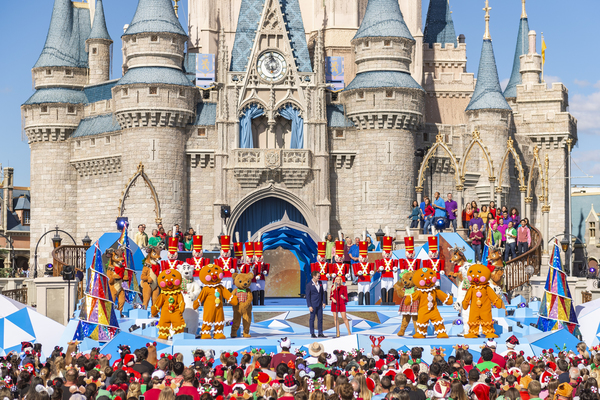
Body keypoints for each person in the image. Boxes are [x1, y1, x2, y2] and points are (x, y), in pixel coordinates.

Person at [306, 270, 326, 338]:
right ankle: (312, 333)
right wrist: (309, 306)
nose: (319, 277)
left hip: (320, 304)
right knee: (312, 319)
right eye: (318, 276)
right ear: (314, 276)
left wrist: (324, 302)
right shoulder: (309, 285)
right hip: (313, 304)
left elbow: (322, 293)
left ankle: (320, 332)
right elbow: (308, 296)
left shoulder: (320, 283)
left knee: (320, 319)